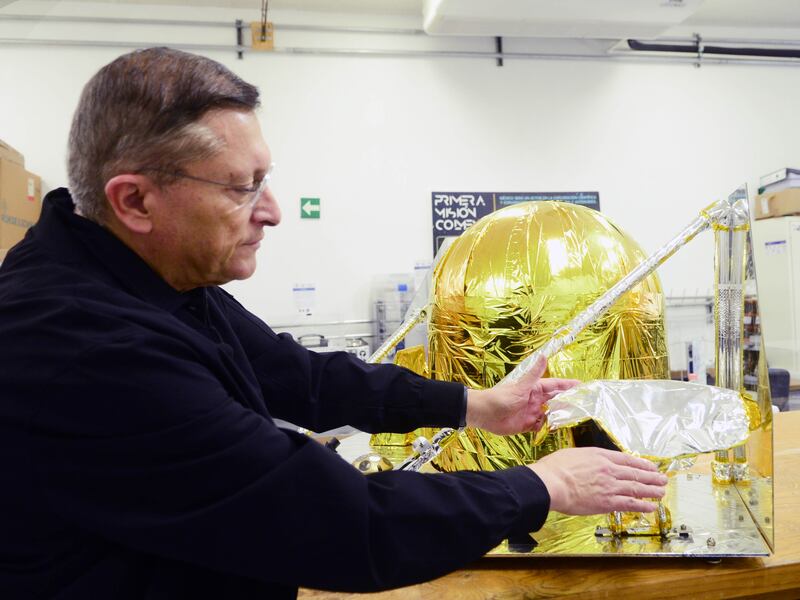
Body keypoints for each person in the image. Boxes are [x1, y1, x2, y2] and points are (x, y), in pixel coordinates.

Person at [0, 47, 667, 599]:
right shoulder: (83, 348)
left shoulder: (139, 272)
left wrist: (473, 405)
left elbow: (299, 375)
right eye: (242, 186)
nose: (273, 211)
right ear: (135, 200)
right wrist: (542, 486)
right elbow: (350, 528)